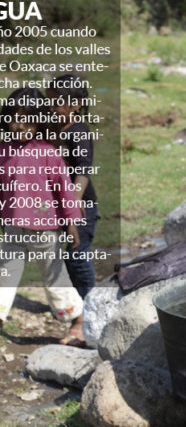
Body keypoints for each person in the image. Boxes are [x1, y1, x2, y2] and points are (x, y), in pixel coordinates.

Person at [0, 88, 86, 345]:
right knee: (5, 273)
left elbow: (64, 190)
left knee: (54, 277)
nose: (19, 125)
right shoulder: (2, 151)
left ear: (39, 122)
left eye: (26, 119)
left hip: (45, 231)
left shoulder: (48, 153)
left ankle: (78, 322)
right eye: (14, 118)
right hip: (13, 228)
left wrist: (71, 224)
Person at [47, 75, 98, 298]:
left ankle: (90, 300)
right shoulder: (49, 128)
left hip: (81, 204)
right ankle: (72, 303)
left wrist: (74, 203)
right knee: (59, 256)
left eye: (56, 102)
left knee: (76, 256)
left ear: (76, 104)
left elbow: (83, 169)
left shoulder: (78, 131)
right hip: (55, 203)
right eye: (48, 100)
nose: (50, 106)